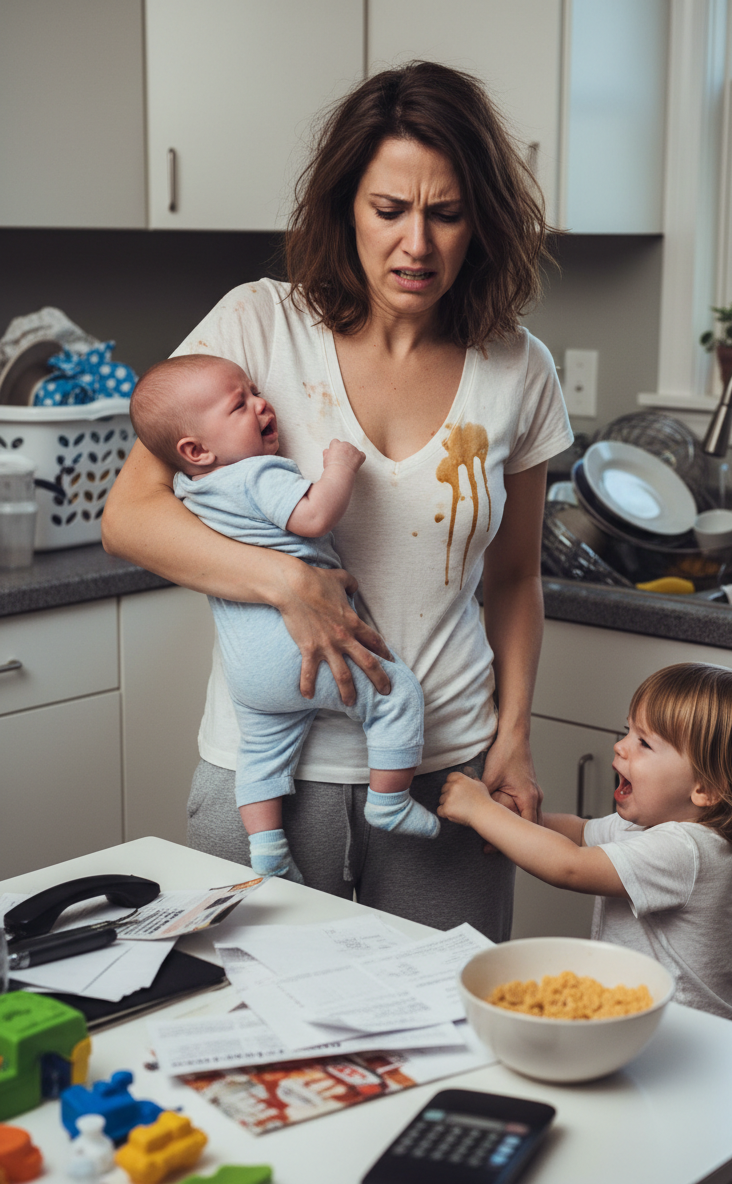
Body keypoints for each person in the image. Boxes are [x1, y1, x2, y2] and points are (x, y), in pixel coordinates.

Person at [102, 60, 573, 941]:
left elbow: (514, 581)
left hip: (447, 769)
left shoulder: (520, 367)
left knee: (444, 1035)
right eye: (389, 210)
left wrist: (515, 734)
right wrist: (287, 583)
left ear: (483, 219)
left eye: (446, 213)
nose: (417, 245)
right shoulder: (256, 325)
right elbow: (129, 515)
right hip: (270, 776)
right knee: (248, 1040)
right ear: (345, 206)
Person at [129, 352, 438, 884]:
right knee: (396, 694)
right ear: (197, 449)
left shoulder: (190, 492)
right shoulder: (255, 474)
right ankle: (389, 802)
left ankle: (268, 847)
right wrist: (340, 467)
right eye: (240, 404)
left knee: (264, 754)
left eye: (254, 391)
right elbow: (314, 514)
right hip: (298, 649)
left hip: (248, 671)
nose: (261, 404)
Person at [438, 663, 732, 1020]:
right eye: (627, 730)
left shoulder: (686, 850)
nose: (620, 746)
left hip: (691, 1032)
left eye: (643, 742)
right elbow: (580, 833)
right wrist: (513, 822)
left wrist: (482, 812)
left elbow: (570, 866)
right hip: (648, 1020)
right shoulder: (649, 826)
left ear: (705, 788)